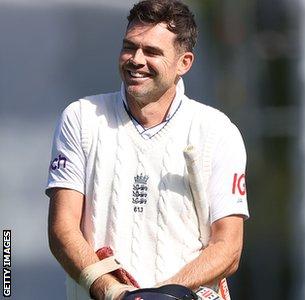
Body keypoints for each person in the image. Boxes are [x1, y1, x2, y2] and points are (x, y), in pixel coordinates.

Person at [46, 1, 249, 299]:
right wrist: (115, 293)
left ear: (184, 63)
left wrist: (165, 295)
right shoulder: (81, 118)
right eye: (130, 47)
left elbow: (229, 247)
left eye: (152, 52)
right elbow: (62, 230)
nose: (136, 59)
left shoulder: (218, 131)